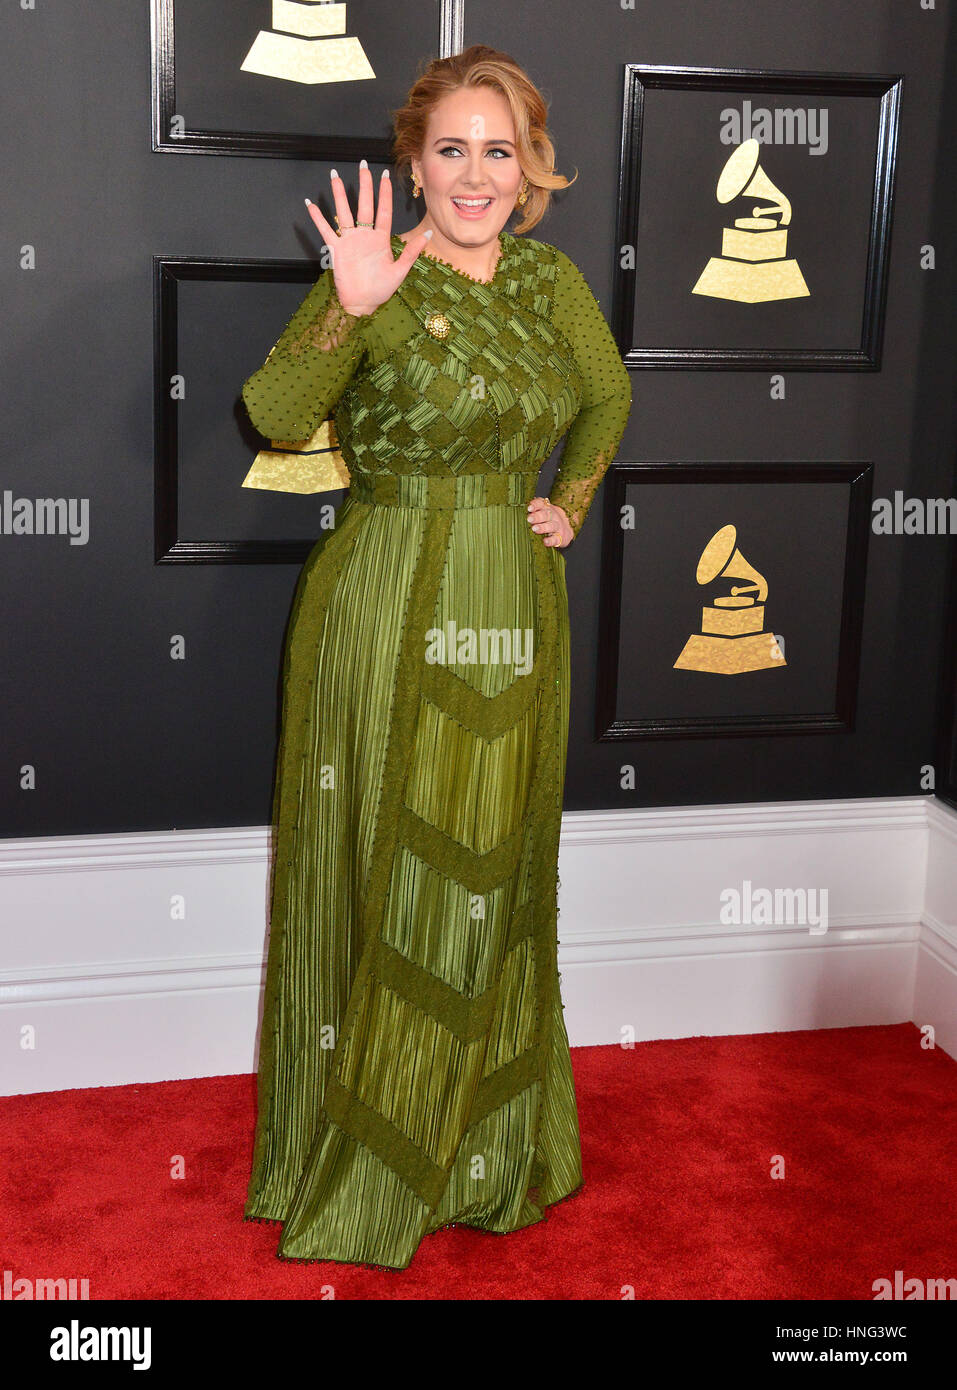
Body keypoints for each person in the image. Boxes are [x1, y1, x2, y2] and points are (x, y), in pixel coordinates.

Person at [241, 43, 632, 1270]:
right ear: (414, 164)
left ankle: (483, 1141)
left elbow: (608, 394)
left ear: (530, 170)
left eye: (499, 150)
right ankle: (359, 1148)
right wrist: (345, 306)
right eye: (451, 148)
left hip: (511, 592)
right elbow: (273, 413)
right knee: (375, 856)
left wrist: (569, 497)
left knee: (491, 866)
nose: (476, 173)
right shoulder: (375, 273)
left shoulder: (553, 280)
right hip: (380, 595)